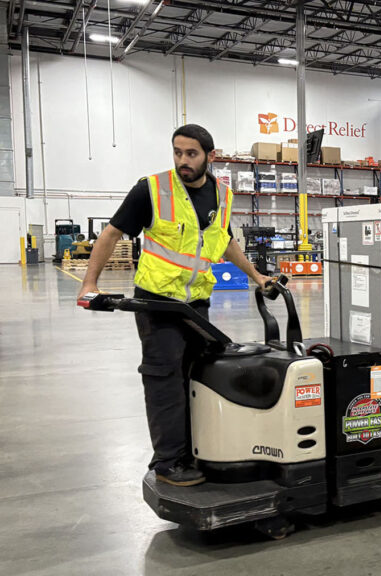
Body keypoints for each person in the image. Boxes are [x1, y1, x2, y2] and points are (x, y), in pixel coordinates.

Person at [77, 124, 272, 487]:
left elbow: (225, 241)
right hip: (157, 303)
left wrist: (257, 276)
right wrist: (90, 284)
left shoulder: (222, 195)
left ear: (210, 156)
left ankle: (195, 450)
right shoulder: (151, 189)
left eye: (191, 154)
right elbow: (112, 233)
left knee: (198, 375)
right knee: (165, 380)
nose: (183, 160)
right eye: (178, 153)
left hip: (197, 304)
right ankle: (167, 462)